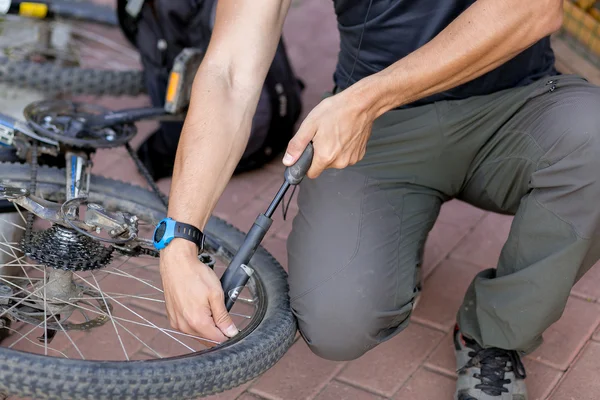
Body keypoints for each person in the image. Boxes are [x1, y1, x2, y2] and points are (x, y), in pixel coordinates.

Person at [157, 0, 600, 398]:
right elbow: (230, 72)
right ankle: (395, 251)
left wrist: (368, 98)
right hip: (375, 130)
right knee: (337, 325)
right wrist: (179, 239)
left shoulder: (372, 99)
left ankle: (493, 333)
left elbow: (533, 9)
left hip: (515, 103)